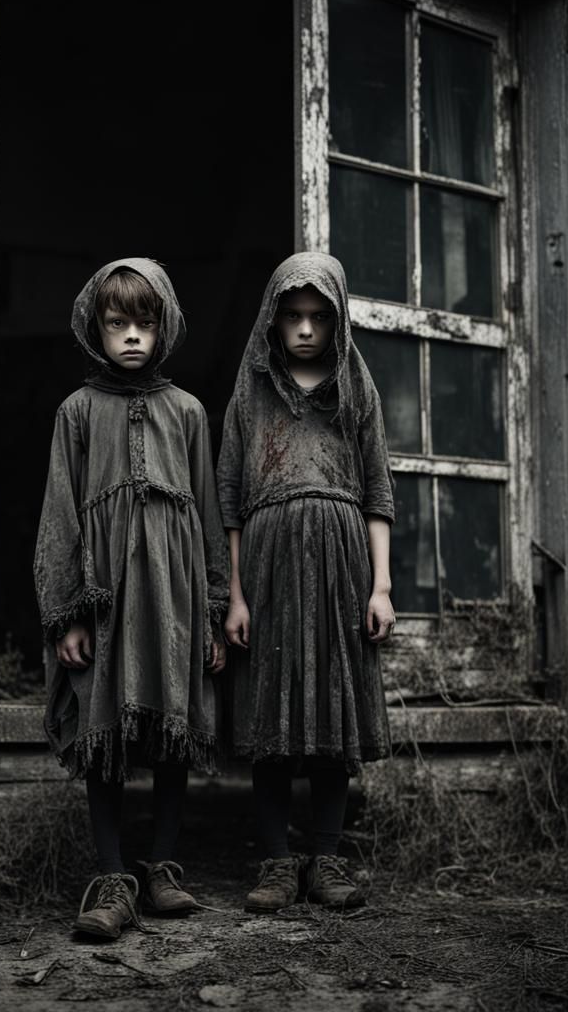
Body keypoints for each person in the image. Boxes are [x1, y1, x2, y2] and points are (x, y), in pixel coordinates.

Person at [35, 258, 228, 939]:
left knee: (172, 731)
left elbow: (206, 512)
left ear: (165, 325)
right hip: (107, 602)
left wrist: (211, 610)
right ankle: (112, 876)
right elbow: (60, 513)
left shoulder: (190, 413)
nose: (133, 337)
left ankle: (163, 866)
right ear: (96, 329)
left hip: (173, 602)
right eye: (118, 324)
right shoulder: (77, 413)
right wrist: (65, 616)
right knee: (105, 735)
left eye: (145, 323)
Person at [216, 252, 395, 912]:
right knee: (272, 719)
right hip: (266, 570)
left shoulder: (358, 391)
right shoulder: (252, 393)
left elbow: (378, 491)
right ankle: (275, 864)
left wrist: (381, 586)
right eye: (292, 316)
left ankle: (324, 857)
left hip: (342, 571)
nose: (305, 329)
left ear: (338, 321)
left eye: (320, 317)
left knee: (329, 718)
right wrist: (233, 595)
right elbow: (229, 495)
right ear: (273, 319)